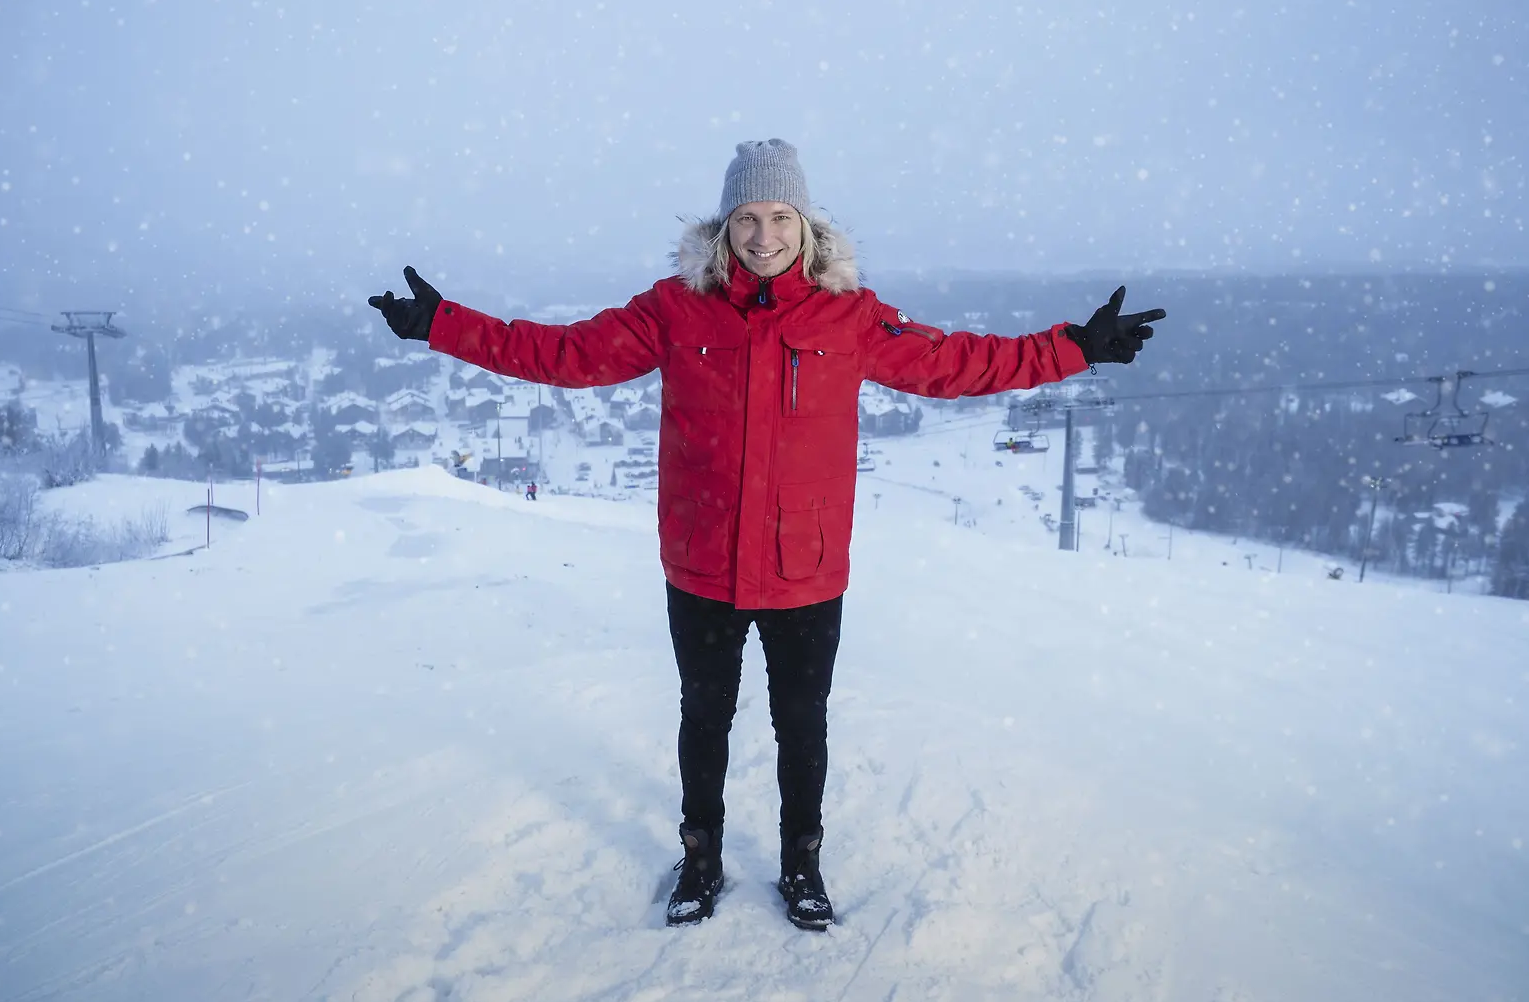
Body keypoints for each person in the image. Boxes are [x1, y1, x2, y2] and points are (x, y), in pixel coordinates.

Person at [370, 139, 1165, 930]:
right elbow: (566, 354)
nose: (763, 236)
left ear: (806, 226)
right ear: (724, 227)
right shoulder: (674, 309)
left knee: (802, 722)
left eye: (780, 217)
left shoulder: (849, 317)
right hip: (703, 562)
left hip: (803, 567)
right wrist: (442, 324)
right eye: (747, 218)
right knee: (703, 717)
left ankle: (801, 862)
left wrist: (1077, 346)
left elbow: (957, 362)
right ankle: (701, 857)